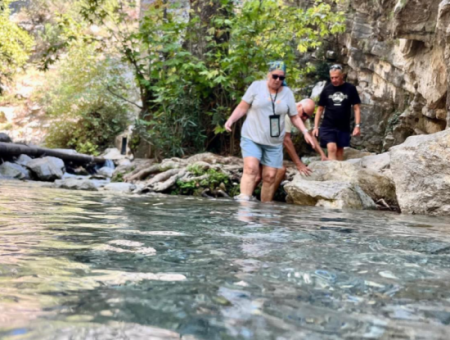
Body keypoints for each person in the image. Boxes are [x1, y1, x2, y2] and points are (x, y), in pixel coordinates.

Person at [225, 61, 315, 203]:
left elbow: (294, 116)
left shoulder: (287, 93)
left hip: (274, 143)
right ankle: (244, 206)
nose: (278, 80)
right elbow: (242, 107)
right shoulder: (256, 87)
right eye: (275, 76)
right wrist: (231, 120)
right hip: (252, 137)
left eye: (282, 78)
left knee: (270, 176)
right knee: (251, 168)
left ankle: (264, 212)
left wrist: (304, 131)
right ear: (268, 75)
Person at [313, 64, 361, 161]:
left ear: (342, 76)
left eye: (336, 77)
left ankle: (338, 174)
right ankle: (332, 172)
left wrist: (357, 126)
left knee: (339, 151)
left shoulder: (350, 88)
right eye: (332, 78)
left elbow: (356, 108)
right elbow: (320, 109)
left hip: (343, 126)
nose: (334, 80)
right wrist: (315, 127)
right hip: (328, 125)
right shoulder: (326, 89)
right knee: (332, 148)